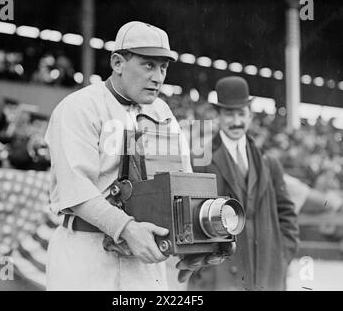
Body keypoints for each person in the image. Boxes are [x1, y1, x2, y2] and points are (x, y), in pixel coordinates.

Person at [44, 21, 223, 291]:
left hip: (144, 261)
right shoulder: (79, 107)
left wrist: (194, 243)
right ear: (117, 62)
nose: (158, 77)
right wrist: (126, 228)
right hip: (87, 252)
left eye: (163, 67)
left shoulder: (162, 112)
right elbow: (76, 190)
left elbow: (182, 181)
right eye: (148, 65)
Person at [188, 76, 300, 291]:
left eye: (241, 113)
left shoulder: (268, 161)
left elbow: (287, 214)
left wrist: (282, 255)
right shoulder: (200, 159)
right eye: (229, 114)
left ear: (250, 116)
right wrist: (203, 267)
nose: (236, 121)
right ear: (218, 116)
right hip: (220, 277)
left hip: (265, 273)